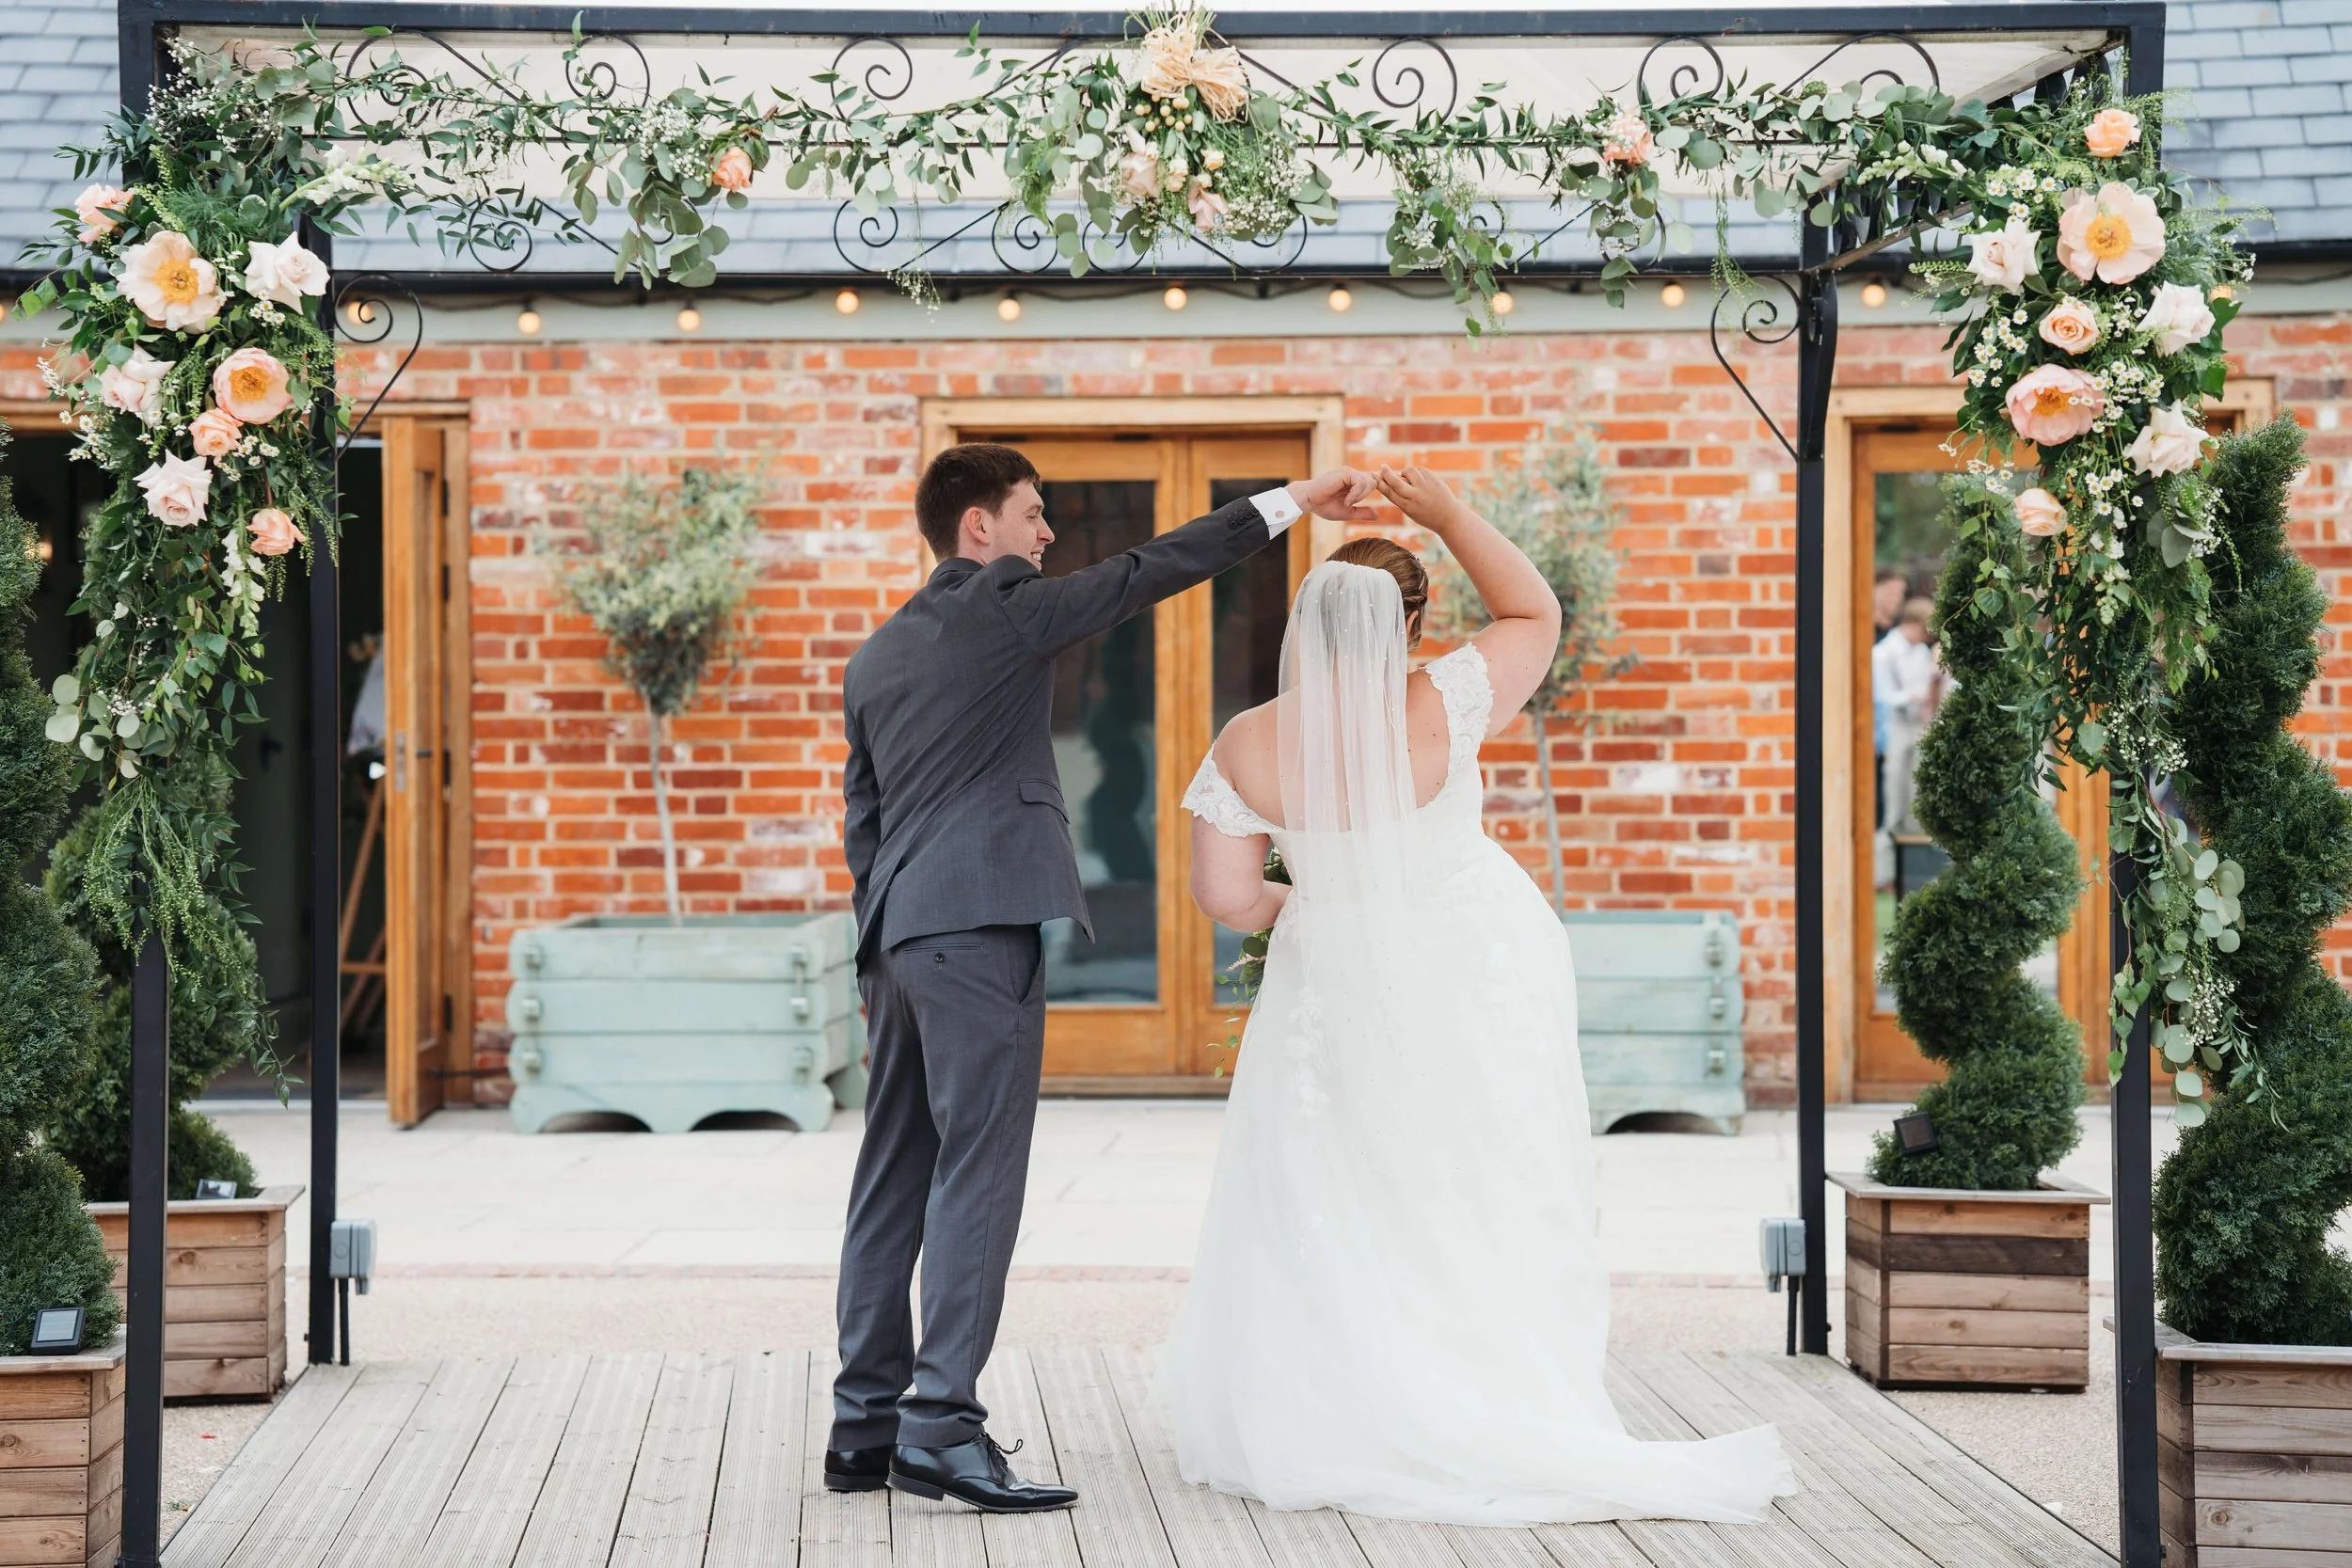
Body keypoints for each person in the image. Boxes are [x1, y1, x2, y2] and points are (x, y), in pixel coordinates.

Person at [1160, 464, 1795, 1526]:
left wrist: (1314, 906)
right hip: (1474, 961)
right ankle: (1490, 1387)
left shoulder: (1246, 740)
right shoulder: (1450, 694)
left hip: (1330, 981)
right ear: (1410, 622)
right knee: (1481, 1172)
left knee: (1331, 1178)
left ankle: (1337, 1404)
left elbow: (1224, 893)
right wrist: (1446, 511)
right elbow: (1534, 607)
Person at [831, 441, 1377, 1513]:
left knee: (892, 1172)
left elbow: (863, 821)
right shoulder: (1004, 603)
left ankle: (865, 1424)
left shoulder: (877, 653)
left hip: (898, 939)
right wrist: (1285, 504)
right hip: (978, 926)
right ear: (976, 527)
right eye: (1032, 514)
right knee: (978, 1174)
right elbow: (1146, 571)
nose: (1046, 535)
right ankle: (940, 1426)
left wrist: (874, 951)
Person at [1873, 595, 1939, 873]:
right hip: (1894, 729)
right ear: (1913, 624)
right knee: (1893, 805)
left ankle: (1915, 870)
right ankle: (1883, 873)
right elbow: (1883, 697)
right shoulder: (1883, 653)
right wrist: (1914, 696)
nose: (1927, 637)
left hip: (1918, 726)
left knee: (1918, 796)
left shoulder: (1920, 653)